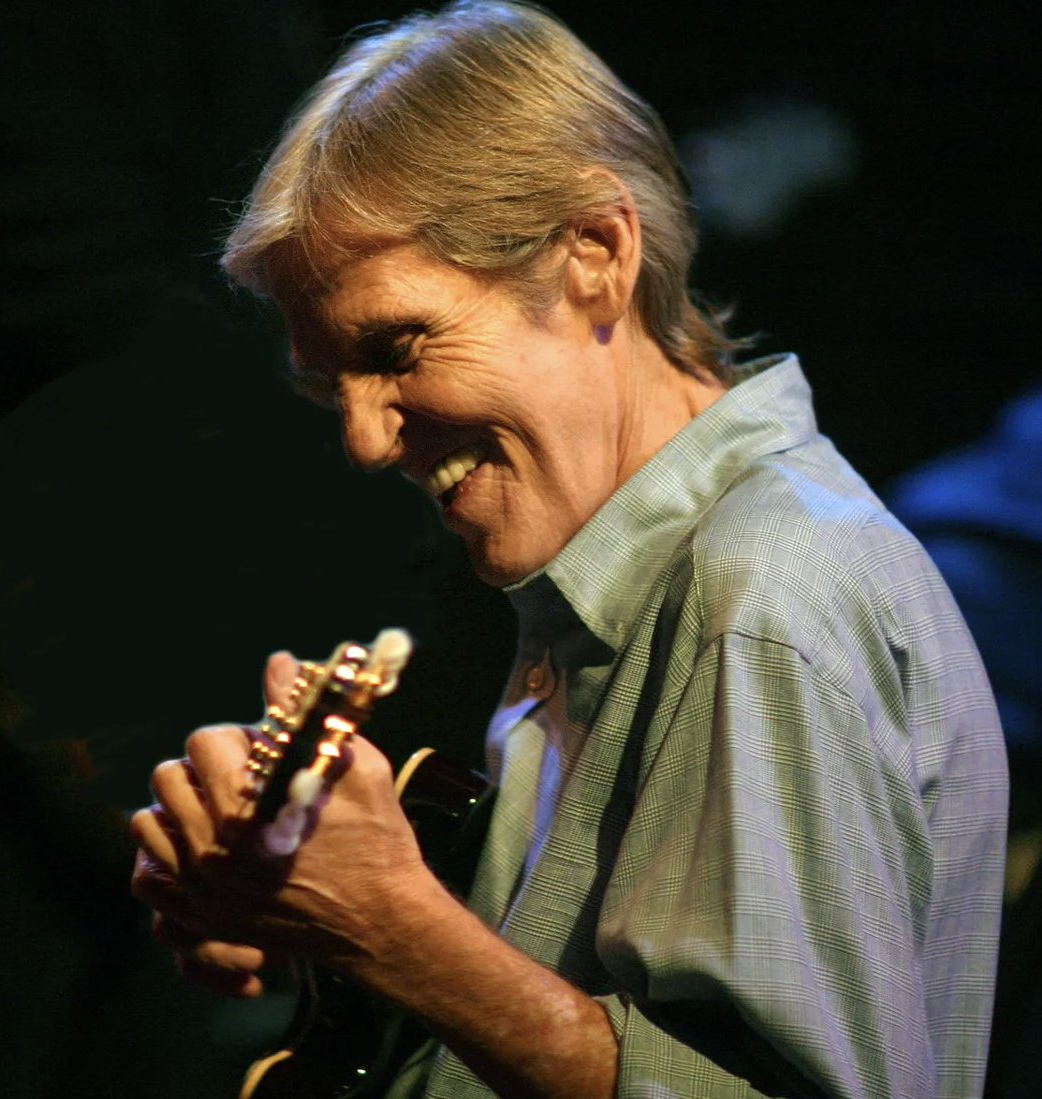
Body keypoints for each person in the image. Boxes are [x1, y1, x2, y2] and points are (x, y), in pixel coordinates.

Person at [129, 3, 1009, 1096]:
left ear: (596, 252)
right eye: (330, 389)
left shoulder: (767, 595)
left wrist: (398, 931)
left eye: (397, 346)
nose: (363, 439)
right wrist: (306, 914)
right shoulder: (621, 583)